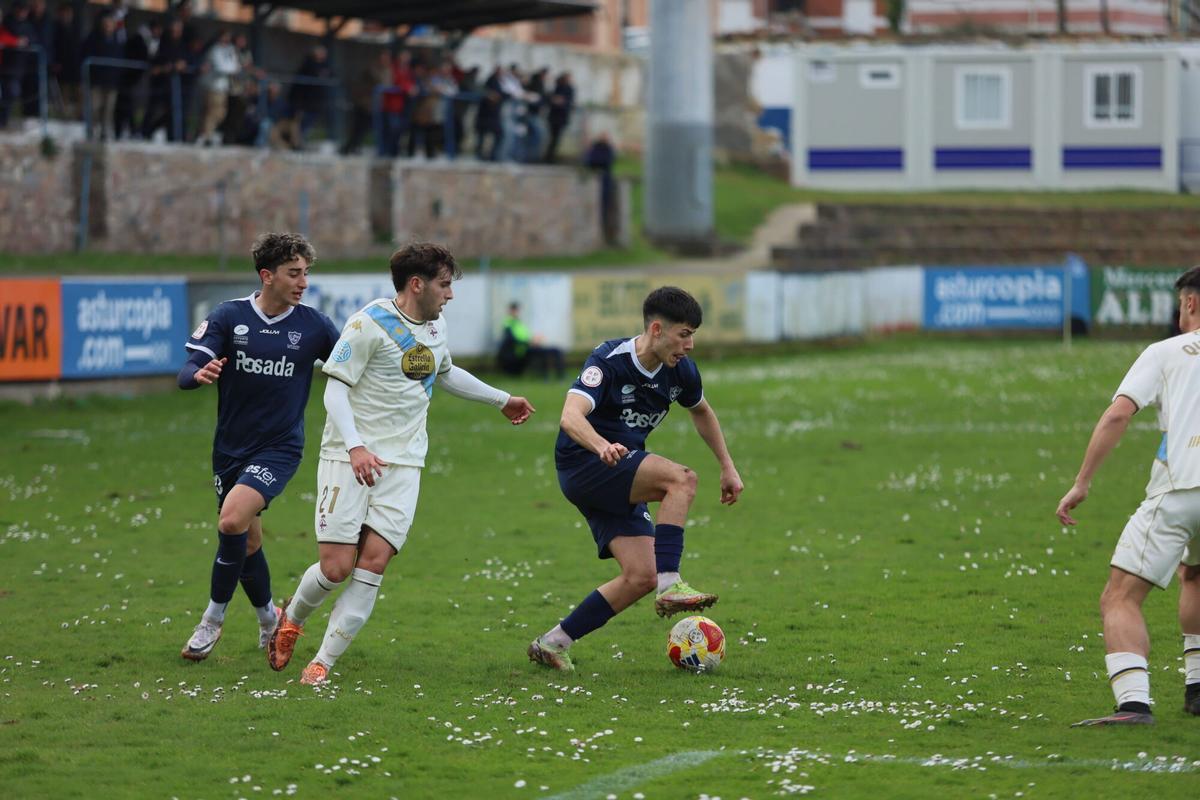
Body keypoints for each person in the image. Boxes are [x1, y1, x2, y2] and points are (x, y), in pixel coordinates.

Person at [268, 242, 536, 686]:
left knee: (373, 563)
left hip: (405, 463)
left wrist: (501, 399)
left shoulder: (435, 326)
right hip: (349, 457)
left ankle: (323, 663)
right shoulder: (368, 324)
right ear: (417, 284)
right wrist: (355, 447)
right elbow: (334, 389)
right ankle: (292, 618)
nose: (450, 294)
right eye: (444, 285)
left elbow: (444, 371)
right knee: (336, 568)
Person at [528, 286, 744, 671]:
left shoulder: (681, 371)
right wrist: (600, 445)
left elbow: (701, 411)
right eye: (684, 334)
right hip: (584, 463)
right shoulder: (609, 361)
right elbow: (570, 416)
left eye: (693, 335)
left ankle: (553, 643)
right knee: (681, 480)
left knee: (641, 575)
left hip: (620, 469)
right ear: (657, 329)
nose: (690, 345)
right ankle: (671, 583)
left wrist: (728, 466)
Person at [177, 232, 341, 662]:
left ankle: (211, 620)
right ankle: (270, 619)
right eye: (294, 273)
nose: (303, 282)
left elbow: (353, 368)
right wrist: (198, 374)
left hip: (280, 447)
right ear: (267, 276)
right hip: (230, 448)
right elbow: (188, 369)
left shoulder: (315, 326)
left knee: (231, 520)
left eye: (306, 273)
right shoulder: (229, 316)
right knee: (247, 542)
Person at [1056, 265, 1200, 726]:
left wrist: (1082, 482)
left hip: (1181, 489)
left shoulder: (1165, 351)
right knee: (1195, 575)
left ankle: (1133, 704)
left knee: (1120, 596)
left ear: (1190, 302)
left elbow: (1118, 415)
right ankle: (1197, 688)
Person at [497, 301, 564, 380]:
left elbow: (525, 336)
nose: (516, 312)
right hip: (521, 351)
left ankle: (560, 376)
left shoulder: (519, 323)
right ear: (510, 311)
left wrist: (535, 339)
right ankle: (545, 376)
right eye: (514, 310)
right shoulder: (509, 323)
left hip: (527, 347)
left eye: (517, 310)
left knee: (556, 350)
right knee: (544, 353)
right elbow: (512, 340)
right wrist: (529, 342)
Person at [544, 71, 573, 163]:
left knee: (556, 138)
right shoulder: (557, 87)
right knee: (553, 138)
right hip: (554, 117)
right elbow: (550, 99)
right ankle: (549, 157)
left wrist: (560, 101)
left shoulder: (569, 89)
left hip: (562, 117)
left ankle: (551, 157)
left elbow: (567, 102)